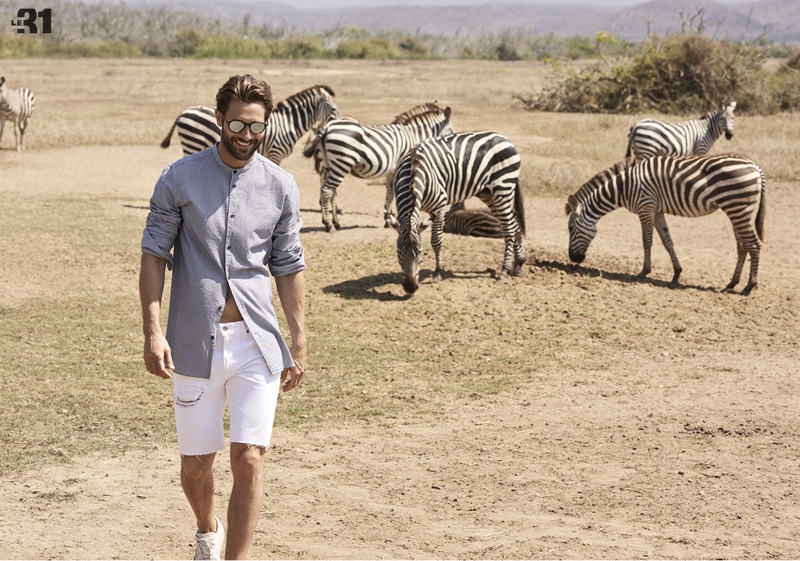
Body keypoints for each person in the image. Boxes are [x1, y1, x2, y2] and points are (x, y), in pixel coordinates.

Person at [139, 74, 306, 560]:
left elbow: (289, 265)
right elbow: (154, 253)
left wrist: (298, 339)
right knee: (196, 465)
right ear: (219, 119)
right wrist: (153, 330)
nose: (247, 136)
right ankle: (206, 528)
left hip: (258, 343)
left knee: (250, 458)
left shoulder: (281, 187)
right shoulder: (179, 177)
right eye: (237, 123)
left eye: (257, 127)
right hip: (193, 341)